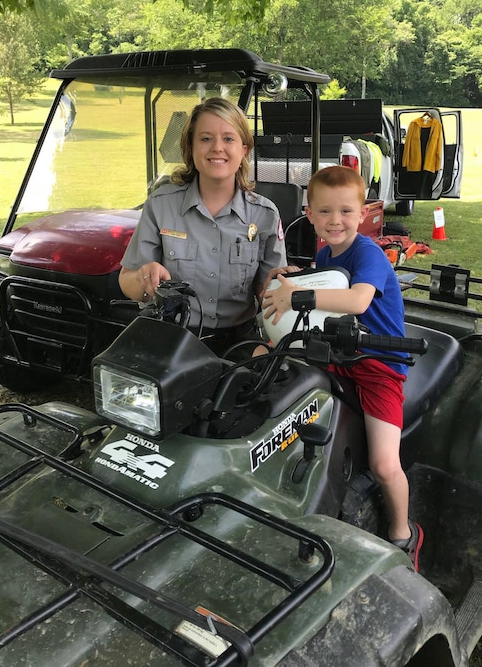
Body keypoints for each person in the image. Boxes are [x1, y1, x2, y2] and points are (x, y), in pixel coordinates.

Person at [261, 165, 423, 570]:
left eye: (346, 212)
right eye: (326, 212)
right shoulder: (325, 251)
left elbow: (356, 301)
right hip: (336, 352)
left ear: (363, 213)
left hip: (378, 364)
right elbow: (326, 283)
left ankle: (404, 535)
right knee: (264, 358)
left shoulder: (367, 253)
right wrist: (299, 278)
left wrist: (300, 297)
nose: (336, 222)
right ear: (310, 213)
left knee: (384, 464)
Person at [119, 97, 287, 356]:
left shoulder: (264, 215)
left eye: (228, 139)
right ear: (190, 148)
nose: (217, 148)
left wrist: (283, 287)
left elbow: (268, 291)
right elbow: (126, 282)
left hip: (240, 344)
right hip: (173, 339)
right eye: (206, 138)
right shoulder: (161, 206)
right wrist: (144, 277)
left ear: (244, 149)